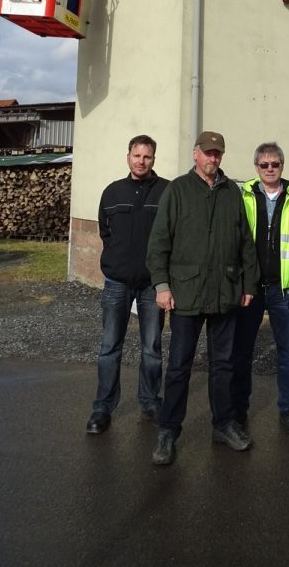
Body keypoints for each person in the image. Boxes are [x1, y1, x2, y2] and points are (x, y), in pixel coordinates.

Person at [147, 131, 259, 467]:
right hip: (185, 293)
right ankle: (168, 430)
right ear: (196, 154)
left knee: (223, 365)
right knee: (179, 367)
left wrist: (248, 283)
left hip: (225, 292)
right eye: (208, 153)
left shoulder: (231, 193)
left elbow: (245, 243)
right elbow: (158, 243)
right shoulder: (178, 190)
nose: (213, 159)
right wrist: (162, 285)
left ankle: (223, 424)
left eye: (218, 154)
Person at [86, 134, 169, 435]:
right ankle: (102, 408)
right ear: (128, 157)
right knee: (109, 347)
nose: (141, 161)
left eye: (147, 157)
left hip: (151, 284)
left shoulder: (166, 192)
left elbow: (170, 235)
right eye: (136, 155)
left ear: (153, 160)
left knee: (152, 347)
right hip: (117, 283)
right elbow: (105, 233)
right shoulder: (112, 192)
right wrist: (118, 261)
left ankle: (150, 401)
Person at [231, 142, 289, 435]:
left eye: (275, 164)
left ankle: (288, 408)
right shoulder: (243, 197)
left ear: (282, 165)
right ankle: (238, 410)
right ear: (256, 167)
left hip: (284, 289)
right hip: (250, 289)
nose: (269, 169)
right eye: (264, 165)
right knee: (241, 351)